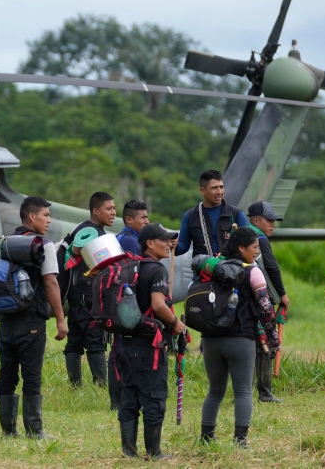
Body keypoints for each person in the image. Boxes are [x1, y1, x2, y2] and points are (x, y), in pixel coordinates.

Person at [199, 227, 280, 448]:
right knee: (243, 391)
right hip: (240, 337)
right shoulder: (252, 271)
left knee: (215, 391)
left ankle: (206, 438)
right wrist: (273, 338)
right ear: (242, 248)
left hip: (210, 338)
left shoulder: (214, 269)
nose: (257, 252)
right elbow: (265, 308)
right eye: (255, 247)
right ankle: (240, 441)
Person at [0, 197, 68, 439]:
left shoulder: (6, 242)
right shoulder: (44, 245)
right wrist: (60, 319)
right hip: (32, 320)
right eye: (45, 215)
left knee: (7, 374)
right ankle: (35, 430)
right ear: (31, 217)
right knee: (31, 375)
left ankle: (8, 431)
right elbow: (50, 282)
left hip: (7, 320)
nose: (49, 220)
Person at [116, 223, 186, 460]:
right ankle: (154, 452)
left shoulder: (130, 267)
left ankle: (129, 451)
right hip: (148, 347)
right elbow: (158, 304)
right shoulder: (156, 270)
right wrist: (176, 323)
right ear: (149, 243)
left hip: (124, 345)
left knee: (129, 399)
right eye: (164, 240)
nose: (169, 244)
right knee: (154, 399)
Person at [63, 191, 117, 388]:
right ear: (96, 211)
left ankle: (75, 386)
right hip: (88, 295)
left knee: (75, 340)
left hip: (76, 294)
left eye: (114, 208)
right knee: (95, 340)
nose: (113, 212)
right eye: (108, 208)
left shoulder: (80, 229)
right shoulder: (93, 233)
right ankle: (101, 385)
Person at [108, 199, 150, 410]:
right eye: (142, 217)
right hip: (127, 302)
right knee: (120, 350)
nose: (146, 221)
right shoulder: (131, 241)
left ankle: (120, 399)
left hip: (120, 301)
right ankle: (119, 400)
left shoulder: (123, 237)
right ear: (129, 219)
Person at [246, 201, 290, 403]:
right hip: (259, 297)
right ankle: (265, 391)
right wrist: (282, 294)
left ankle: (243, 391)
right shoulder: (260, 238)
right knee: (264, 342)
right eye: (269, 220)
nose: (273, 224)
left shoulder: (242, 235)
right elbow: (272, 267)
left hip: (241, 298)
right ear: (256, 221)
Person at [176, 170, 248, 258]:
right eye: (214, 188)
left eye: (221, 187)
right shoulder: (190, 216)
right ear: (202, 191)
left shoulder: (236, 214)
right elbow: (183, 246)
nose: (219, 192)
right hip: (202, 269)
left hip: (230, 268)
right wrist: (172, 244)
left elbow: (248, 244)